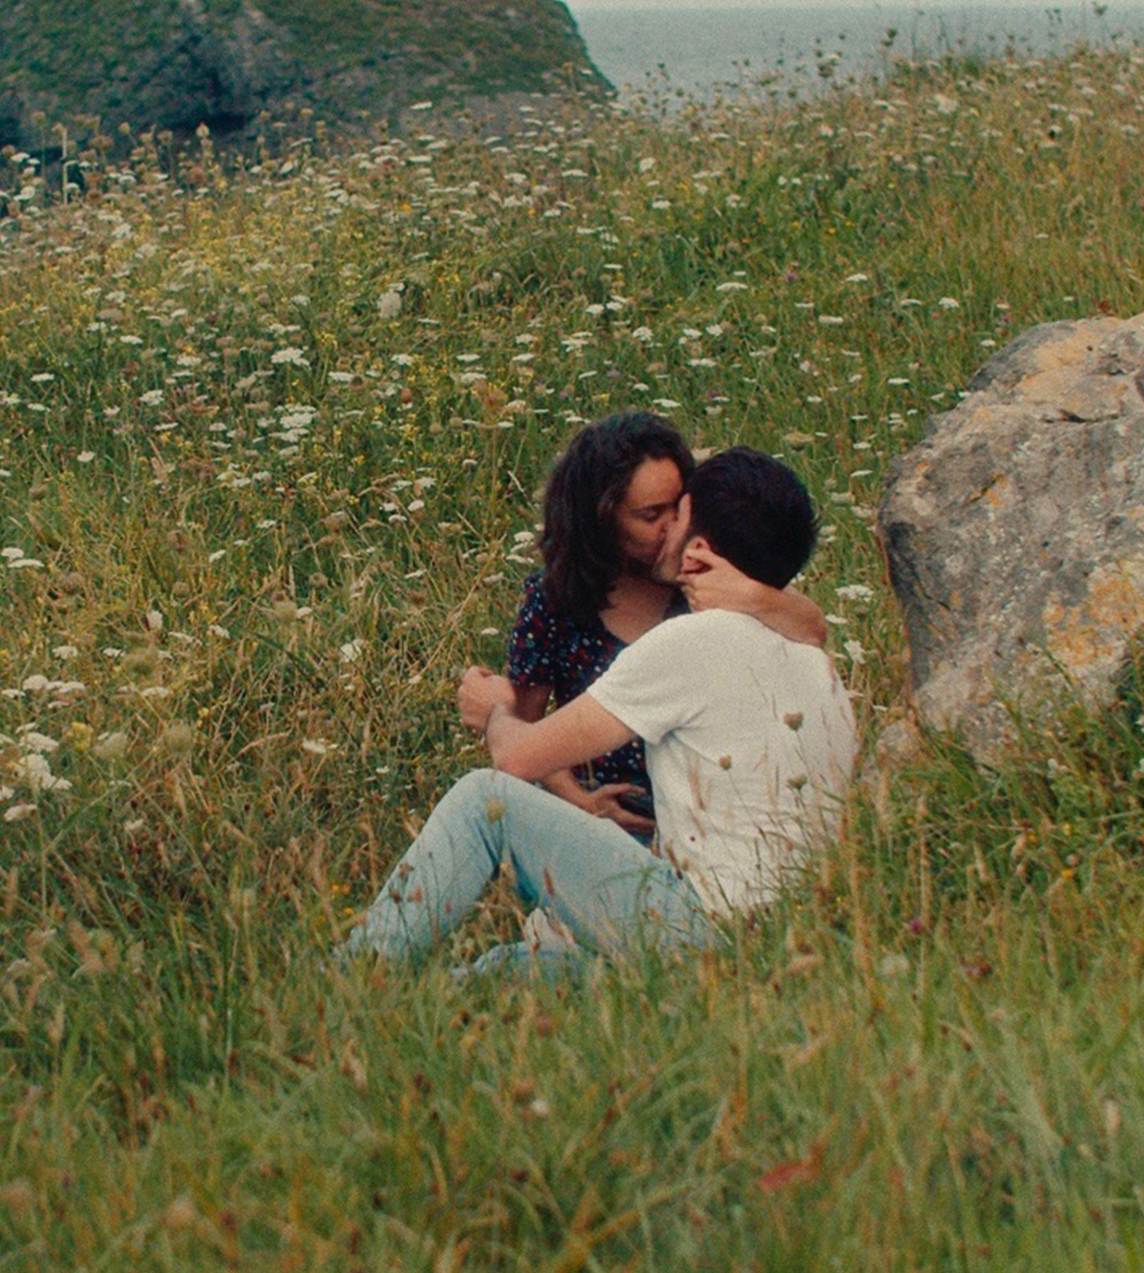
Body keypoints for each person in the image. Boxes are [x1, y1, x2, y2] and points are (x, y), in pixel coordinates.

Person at [335, 447, 857, 967]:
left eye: (677, 515)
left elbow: (516, 760)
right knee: (516, 969)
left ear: (697, 550)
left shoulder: (692, 641)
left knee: (484, 799)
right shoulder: (817, 664)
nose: (664, 530)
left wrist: (496, 711)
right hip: (777, 942)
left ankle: (362, 971)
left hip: (701, 928)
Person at [506, 412, 827, 840]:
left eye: (679, 506)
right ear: (602, 518)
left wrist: (751, 594)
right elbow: (526, 727)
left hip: (705, 820)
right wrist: (580, 801)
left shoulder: (702, 577)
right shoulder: (557, 598)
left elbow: (812, 627)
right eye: (650, 515)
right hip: (601, 815)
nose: (672, 525)